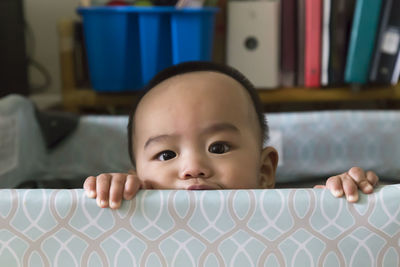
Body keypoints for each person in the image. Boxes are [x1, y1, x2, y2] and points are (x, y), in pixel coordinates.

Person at [83, 61, 378, 209]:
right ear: (138, 177)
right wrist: (114, 198)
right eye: (167, 154)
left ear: (264, 171)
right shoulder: (132, 218)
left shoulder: (289, 220)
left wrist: (338, 204)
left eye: (219, 147)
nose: (192, 168)